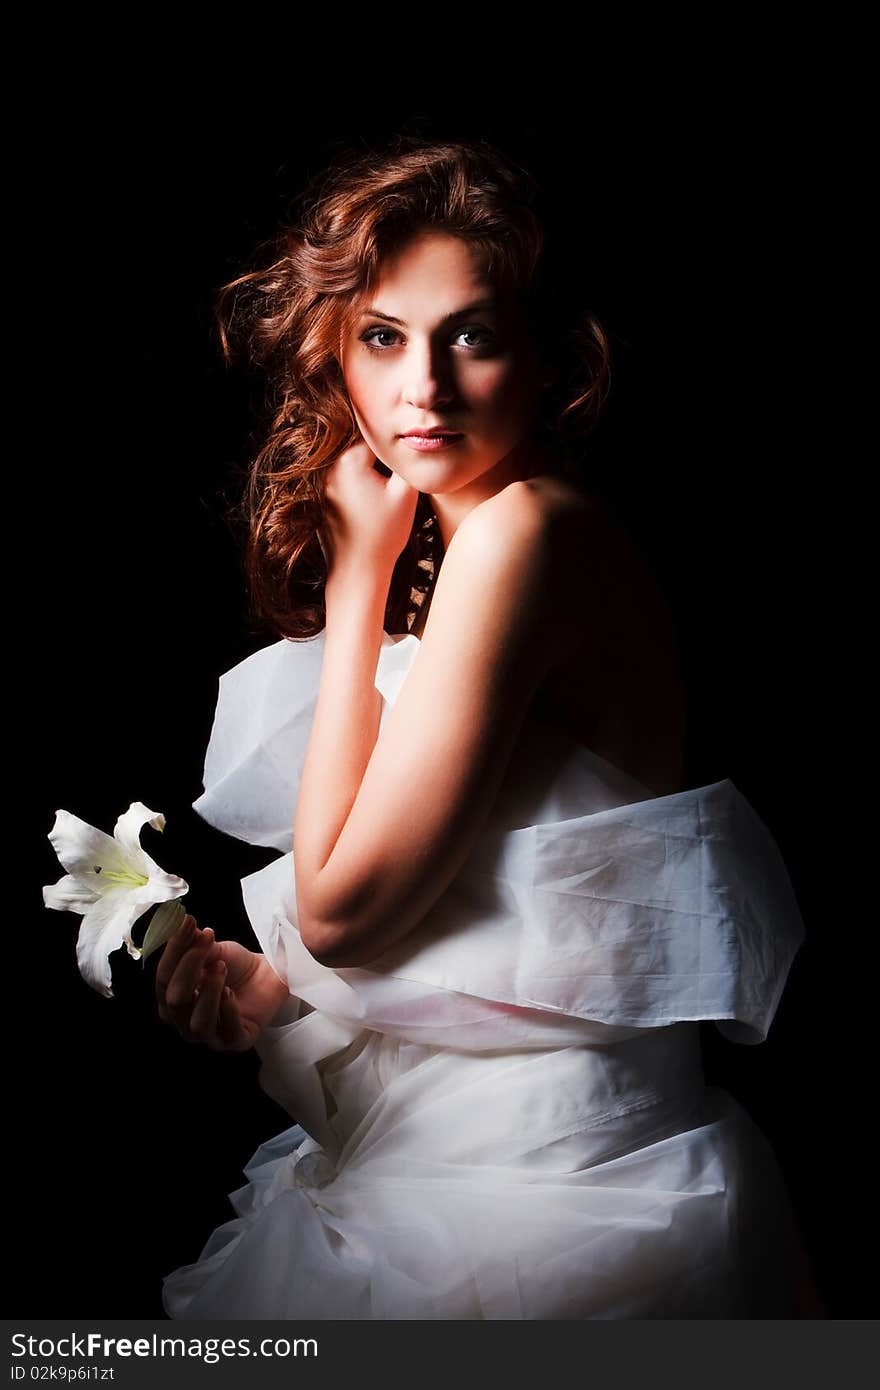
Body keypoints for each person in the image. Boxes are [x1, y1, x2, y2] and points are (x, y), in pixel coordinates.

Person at [156, 135, 821, 1319]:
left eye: (470, 333)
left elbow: (344, 910)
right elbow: (516, 902)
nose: (423, 385)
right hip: (470, 1152)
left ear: (548, 356)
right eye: (382, 336)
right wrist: (275, 993)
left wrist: (358, 579)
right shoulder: (487, 540)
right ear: (339, 362)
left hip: (545, 1189)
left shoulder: (525, 536)